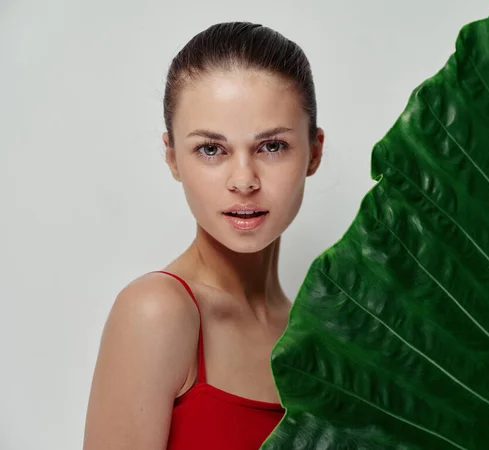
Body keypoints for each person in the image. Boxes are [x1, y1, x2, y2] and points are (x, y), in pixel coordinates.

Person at [83, 21, 325, 449]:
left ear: (314, 151)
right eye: (211, 149)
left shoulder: (323, 337)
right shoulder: (157, 313)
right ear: (173, 158)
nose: (244, 180)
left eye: (272, 146)